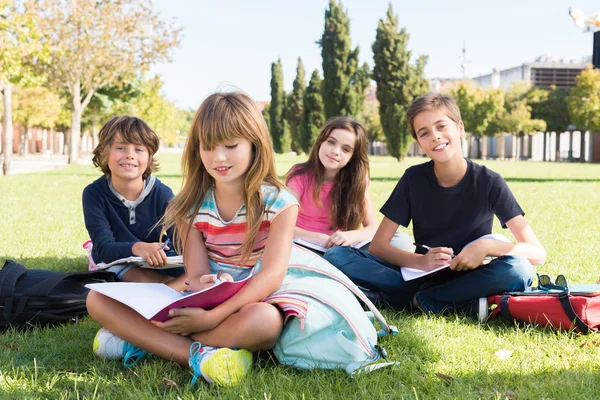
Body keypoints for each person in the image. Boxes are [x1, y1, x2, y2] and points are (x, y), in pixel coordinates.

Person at [86, 91, 299, 386]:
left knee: (266, 323)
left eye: (231, 145)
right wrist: (202, 287)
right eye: (208, 147)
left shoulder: (280, 202)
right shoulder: (189, 206)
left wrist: (213, 317)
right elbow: (196, 274)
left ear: (255, 144)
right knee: (97, 300)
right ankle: (199, 356)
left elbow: (272, 276)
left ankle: (144, 341)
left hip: (249, 301)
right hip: (201, 299)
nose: (218, 157)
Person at [323, 92, 546, 320]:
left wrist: (486, 247)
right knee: (336, 256)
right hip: (421, 273)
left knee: (520, 270)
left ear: (459, 128)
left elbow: (537, 253)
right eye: (424, 133)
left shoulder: (490, 182)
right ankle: (459, 302)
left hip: (471, 276)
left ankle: (414, 301)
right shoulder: (413, 179)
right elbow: (379, 246)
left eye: (441, 126)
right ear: (419, 143)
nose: (435, 137)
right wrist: (421, 261)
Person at [285, 116, 413, 255]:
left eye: (345, 149)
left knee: (402, 241)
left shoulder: (357, 181)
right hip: (301, 245)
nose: (335, 151)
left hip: (340, 248)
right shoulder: (300, 174)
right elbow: (282, 224)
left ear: (352, 157)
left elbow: (372, 227)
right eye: (331, 142)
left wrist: (351, 236)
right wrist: (319, 238)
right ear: (321, 142)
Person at [82, 116, 184, 284]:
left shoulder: (161, 193)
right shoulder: (93, 194)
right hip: (116, 259)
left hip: (154, 259)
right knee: (116, 270)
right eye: (120, 148)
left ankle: (175, 284)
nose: (130, 155)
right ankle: (171, 286)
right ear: (105, 153)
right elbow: (104, 249)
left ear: (149, 157)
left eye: (139, 149)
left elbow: (179, 241)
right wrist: (138, 248)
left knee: (189, 265)